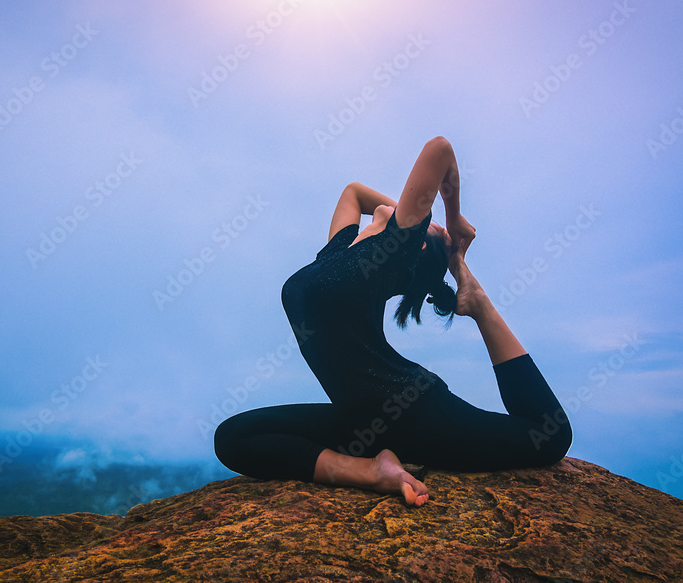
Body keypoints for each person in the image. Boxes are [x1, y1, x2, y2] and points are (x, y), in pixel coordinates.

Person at [213, 136, 572, 506]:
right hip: (360, 422)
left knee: (549, 435)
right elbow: (353, 192)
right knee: (233, 437)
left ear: (415, 245)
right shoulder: (341, 249)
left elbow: (441, 150)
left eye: (427, 228)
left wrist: (454, 221)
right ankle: (371, 471)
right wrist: (432, 226)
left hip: (413, 412)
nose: (425, 220)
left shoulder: (392, 252)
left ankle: (479, 304)